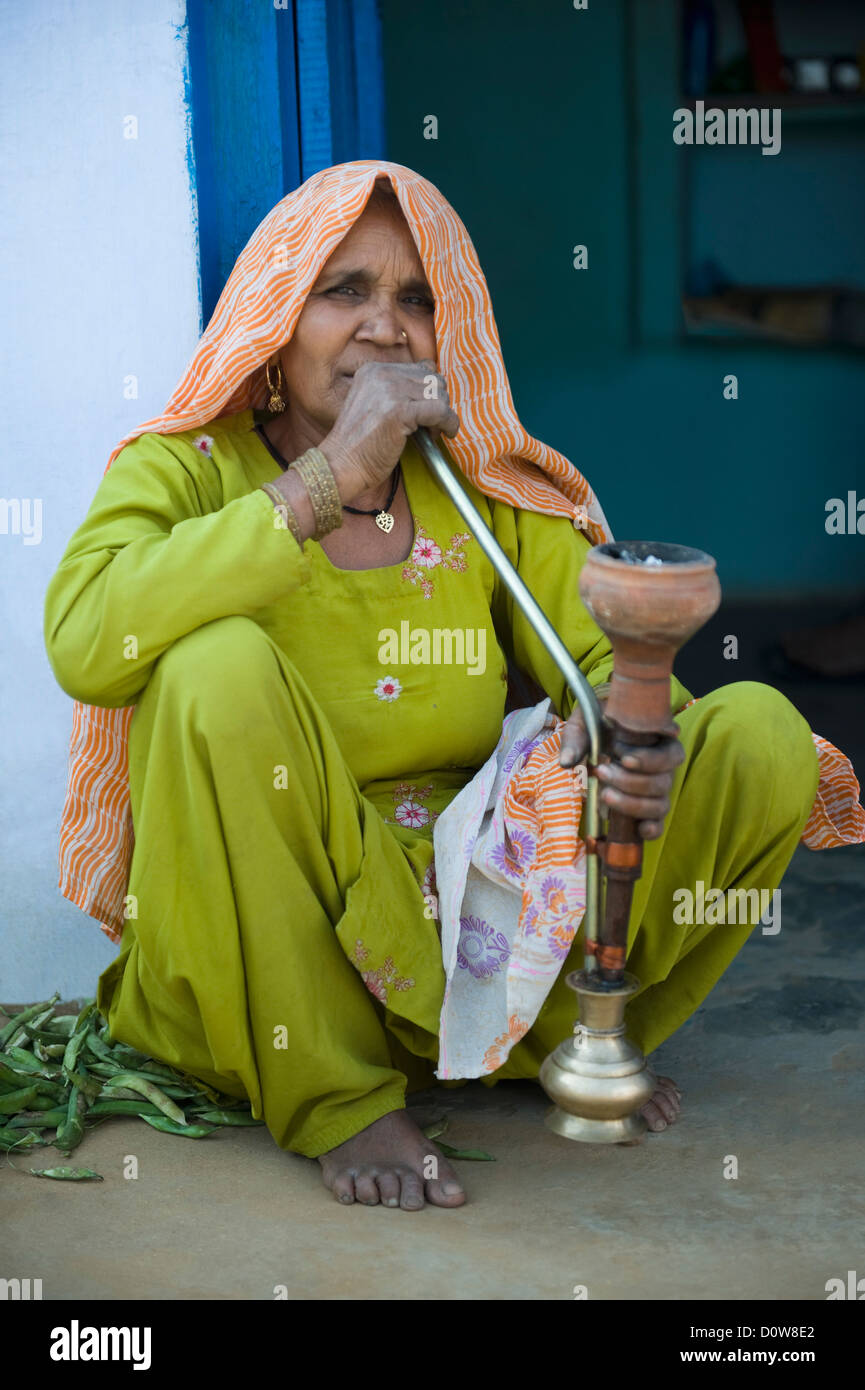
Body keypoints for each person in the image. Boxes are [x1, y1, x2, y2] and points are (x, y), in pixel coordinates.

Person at [43, 161, 863, 1212]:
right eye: (344, 291)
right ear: (274, 322)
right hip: (269, 928)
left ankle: (567, 1035)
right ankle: (334, 1091)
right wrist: (327, 479)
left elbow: (604, 656)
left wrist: (622, 734)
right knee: (215, 665)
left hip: (470, 906)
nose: (385, 327)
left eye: (417, 299)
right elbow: (83, 638)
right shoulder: (189, 469)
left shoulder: (474, 487)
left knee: (753, 729)